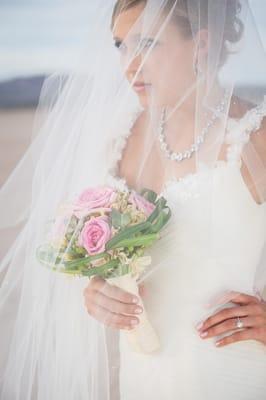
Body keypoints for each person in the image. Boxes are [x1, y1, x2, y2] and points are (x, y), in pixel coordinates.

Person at [0, 1, 266, 399]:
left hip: (231, 370)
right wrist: (97, 292)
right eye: (121, 46)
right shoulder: (119, 139)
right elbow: (104, 263)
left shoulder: (255, 136)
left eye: (147, 43)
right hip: (144, 376)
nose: (129, 65)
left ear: (202, 44)